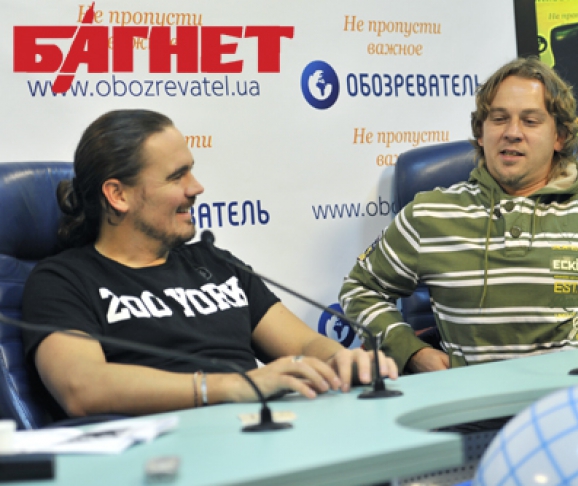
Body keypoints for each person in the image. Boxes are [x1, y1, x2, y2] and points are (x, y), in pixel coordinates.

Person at [339, 57, 578, 375]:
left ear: (559, 137)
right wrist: (411, 352)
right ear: (481, 133)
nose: (512, 133)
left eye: (531, 121)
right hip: (470, 411)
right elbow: (359, 290)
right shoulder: (429, 213)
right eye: (498, 119)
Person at [21, 109, 397, 418]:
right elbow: (82, 386)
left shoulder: (213, 262)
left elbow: (302, 342)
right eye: (176, 176)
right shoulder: (62, 280)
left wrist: (343, 360)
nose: (196, 187)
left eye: (191, 169)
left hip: (262, 431)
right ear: (118, 195)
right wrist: (230, 386)